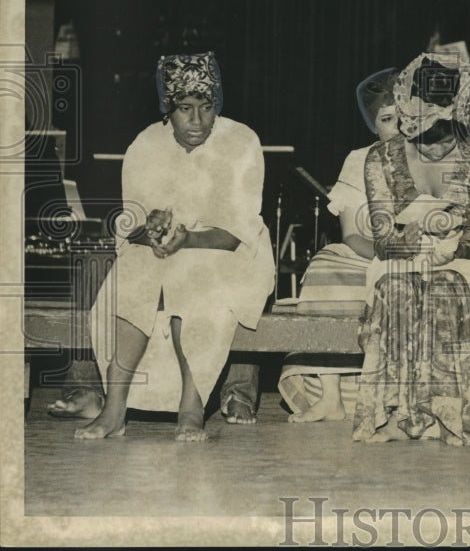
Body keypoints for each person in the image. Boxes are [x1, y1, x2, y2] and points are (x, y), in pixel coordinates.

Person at [75, 52, 275, 441]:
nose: (197, 121)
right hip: (162, 252)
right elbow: (131, 224)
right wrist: (149, 228)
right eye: (185, 109)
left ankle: (192, 407)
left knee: (189, 274)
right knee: (133, 274)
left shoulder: (241, 142)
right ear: (168, 110)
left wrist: (188, 240)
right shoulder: (145, 144)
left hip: (231, 253)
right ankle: (115, 410)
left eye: (206, 108)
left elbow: (237, 231)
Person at [352, 52, 470, 446]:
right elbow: (383, 242)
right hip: (398, 260)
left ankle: (449, 417)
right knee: (397, 287)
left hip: (463, 264)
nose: (427, 139)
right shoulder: (381, 158)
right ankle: (395, 416)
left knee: (445, 287)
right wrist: (416, 238)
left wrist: (445, 245)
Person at [278, 68, 399, 422]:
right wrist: (384, 253)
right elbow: (351, 235)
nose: (399, 127)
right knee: (326, 264)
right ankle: (330, 396)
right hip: (368, 254)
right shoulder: (359, 159)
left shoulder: (430, 157)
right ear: (373, 125)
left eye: (406, 117)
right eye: (388, 119)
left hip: (420, 258)